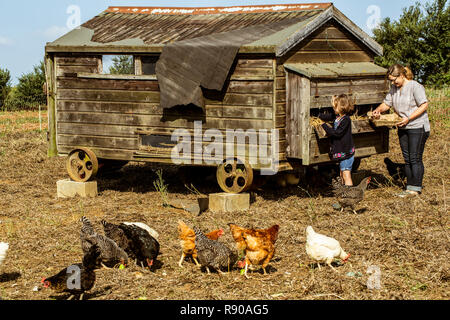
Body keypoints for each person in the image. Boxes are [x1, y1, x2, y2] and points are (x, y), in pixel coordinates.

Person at [372, 64, 430, 197]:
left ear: (402, 75)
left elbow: (424, 105)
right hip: (403, 126)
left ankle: (415, 188)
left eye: (394, 80)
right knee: (407, 157)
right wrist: (378, 110)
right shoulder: (394, 88)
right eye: (391, 80)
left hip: (417, 126)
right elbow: (387, 103)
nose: (393, 83)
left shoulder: (415, 86)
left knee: (415, 157)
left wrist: (409, 118)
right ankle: (409, 187)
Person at [319, 94, 356, 186]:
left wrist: (324, 126)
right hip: (343, 152)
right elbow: (327, 116)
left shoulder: (346, 120)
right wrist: (318, 116)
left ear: (342, 107)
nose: (333, 109)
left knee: (346, 175)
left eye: (335, 107)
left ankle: (349, 195)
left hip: (346, 153)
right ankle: (344, 193)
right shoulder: (337, 117)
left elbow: (337, 133)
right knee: (342, 174)